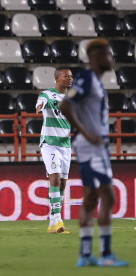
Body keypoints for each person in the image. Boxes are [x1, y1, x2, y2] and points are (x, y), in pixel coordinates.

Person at [59, 39, 129, 267]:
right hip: (92, 148)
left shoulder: (94, 82)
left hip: (95, 147)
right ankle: (106, 255)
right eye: (109, 54)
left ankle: (86, 255)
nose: (112, 58)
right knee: (108, 196)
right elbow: (65, 105)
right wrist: (87, 134)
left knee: (90, 199)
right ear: (97, 57)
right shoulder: (87, 79)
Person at [35, 67, 73, 234]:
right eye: (66, 76)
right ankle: (57, 218)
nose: (70, 79)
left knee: (63, 182)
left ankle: (52, 221)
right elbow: (41, 102)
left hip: (65, 145)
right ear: (57, 78)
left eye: (71, 76)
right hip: (49, 143)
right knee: (55, 178)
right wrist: (40, 106)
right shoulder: (47, 94)